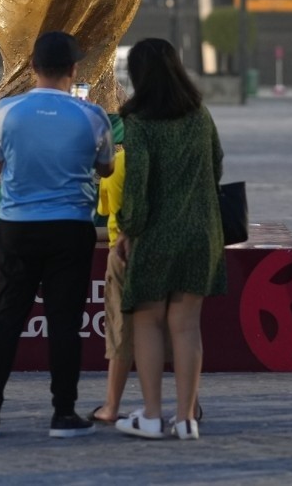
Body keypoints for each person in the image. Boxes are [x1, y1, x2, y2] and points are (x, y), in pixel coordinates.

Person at [0, 31, 114, 441]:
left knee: (6, 319)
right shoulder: (92, 116)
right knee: (65, 322)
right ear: (73, 69)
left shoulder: (6, 112)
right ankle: (63, 413)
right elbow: (106, 167)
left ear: (33, 67)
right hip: (71, 227)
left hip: (17, 226)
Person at [114, 38, 224, 441]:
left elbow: (137, 186)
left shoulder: (139, 121)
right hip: (202, 232)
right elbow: (217, 164)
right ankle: (186, 419)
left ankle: (151, 416)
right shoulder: (199, 113)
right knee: (187, 327)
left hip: (157, 234)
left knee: (147, 322)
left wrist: (128, 229)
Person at [90, 135, 133, 426]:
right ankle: (188, 408)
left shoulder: (119, 163)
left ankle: (112, 405)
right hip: (167, 250)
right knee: (178, 332)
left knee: (121, 331)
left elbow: (106, 210)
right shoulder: (174, 161)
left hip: (122, 252)